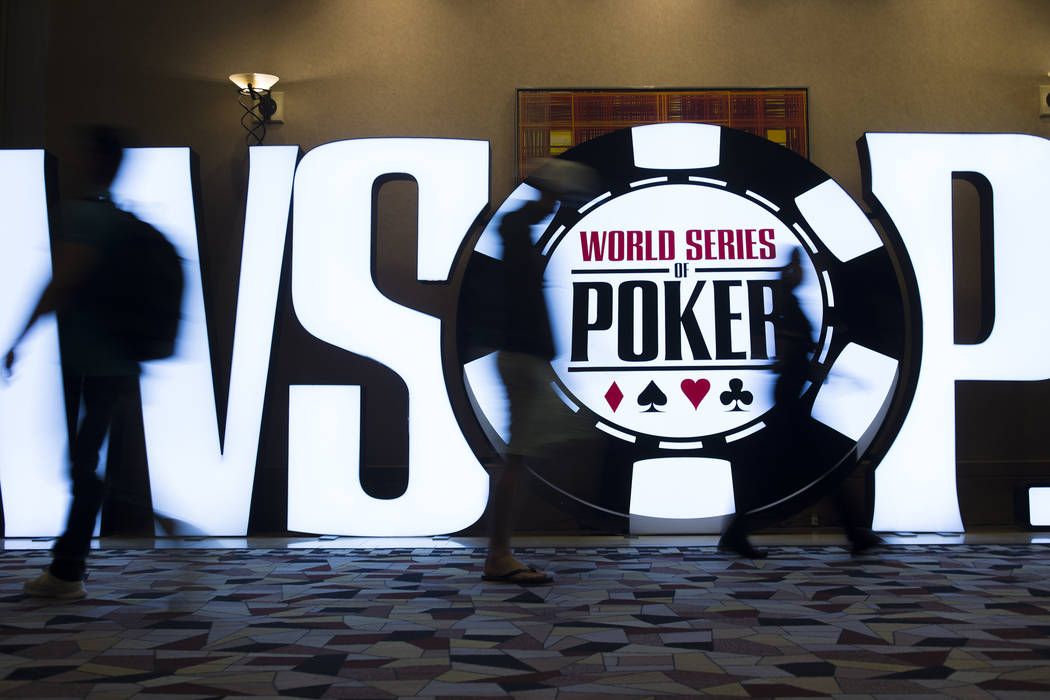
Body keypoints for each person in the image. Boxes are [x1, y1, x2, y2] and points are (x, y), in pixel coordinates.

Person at [5, 126, 146, 599]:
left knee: (83, 467)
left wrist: (20, 338)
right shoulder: (123, 222)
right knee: (89, 465)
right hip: (121, 363)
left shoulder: (83, 219)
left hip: (87, 365)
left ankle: (67, 570)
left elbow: (60, 283)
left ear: (96, 159)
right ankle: (69, 567)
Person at [717, 247, 882, 558]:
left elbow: (783, 349)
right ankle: (854, 531)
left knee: (776, 469)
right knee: (814, 466)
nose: (801, 272)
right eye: (797, 266)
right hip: (790, 399)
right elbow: (788, 348)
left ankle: (737, 532)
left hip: (789, 396)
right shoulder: (788, 304)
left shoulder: (785, 304)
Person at [480, 160, 596, 585]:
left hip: (527, 360)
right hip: (525, 361)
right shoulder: (515, 228)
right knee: (522, 457)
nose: (556, 208)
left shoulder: (519, 231)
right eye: (556, 198)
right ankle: (499, 553)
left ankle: (502, 551)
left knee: (526, 455)